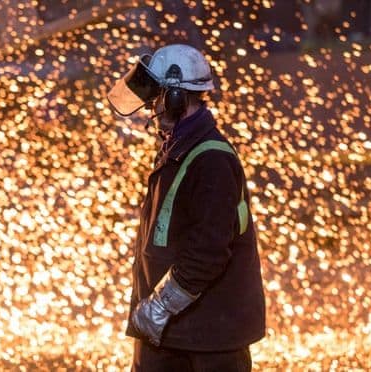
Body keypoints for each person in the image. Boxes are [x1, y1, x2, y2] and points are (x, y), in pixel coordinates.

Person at [107, 44, 266, 372]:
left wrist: (159, 308)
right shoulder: (177, 150)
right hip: (172, 336)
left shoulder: (211, 160)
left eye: (157, 100)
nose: (153, 109)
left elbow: (207, 254)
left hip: (208, 341)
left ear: (175, 99)